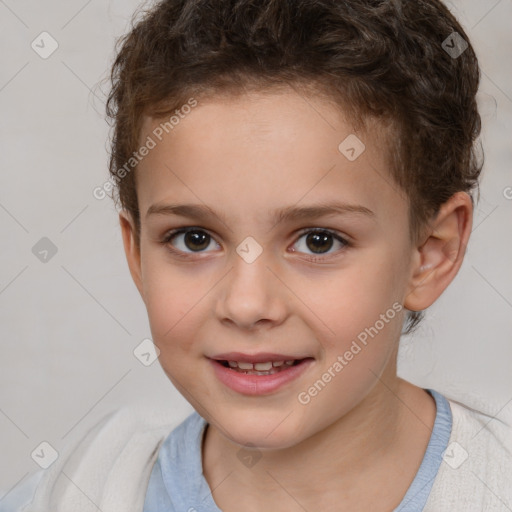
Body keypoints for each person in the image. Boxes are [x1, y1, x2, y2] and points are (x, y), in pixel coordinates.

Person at [10, 0, 512, 510]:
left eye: (319, 240)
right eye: (195, 239)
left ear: (430, 253)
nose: (247, 304)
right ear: (137, 252)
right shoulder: (74, 492)